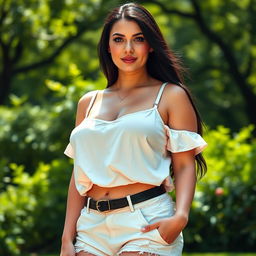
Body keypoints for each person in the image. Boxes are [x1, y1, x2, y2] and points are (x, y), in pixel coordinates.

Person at [60, 2, 207, 256]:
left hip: (146, 220)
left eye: (138, 39)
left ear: (150, 44)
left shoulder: (171, 95)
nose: (128, 49)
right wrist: (66, 237)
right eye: (119, 39)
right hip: (91, 225)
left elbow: (184, 165)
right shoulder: (88, 102)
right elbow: (79, 175)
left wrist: (181, 217)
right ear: (108, 46)